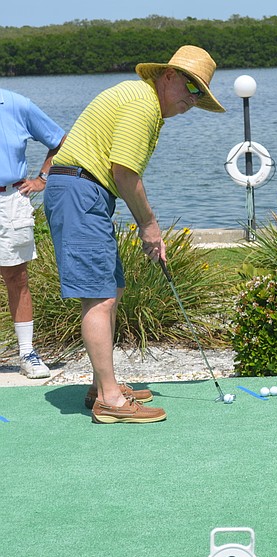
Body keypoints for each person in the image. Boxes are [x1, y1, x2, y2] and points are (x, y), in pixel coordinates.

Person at [43, 45, 225, 423]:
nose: (192, 100)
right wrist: (149, 225)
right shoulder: (143, 103)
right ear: (169, 76)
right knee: (100, 296)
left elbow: (119, 174)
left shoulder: (142, 100)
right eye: (190, 88)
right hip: (80, 190)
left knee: (113, 288)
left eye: (200, 94)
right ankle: (110, 399)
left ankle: (101, 386)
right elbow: (124, 172)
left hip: (85, 191)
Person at [0, 88, 67, 379]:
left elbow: (60, 141)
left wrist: (42, 178)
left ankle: (27, 353)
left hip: (11, 200)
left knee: (17, 278)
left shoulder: (17, 104)